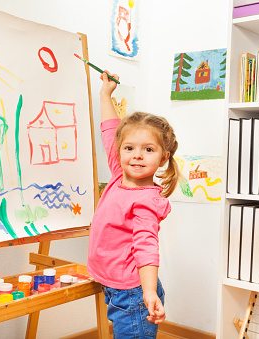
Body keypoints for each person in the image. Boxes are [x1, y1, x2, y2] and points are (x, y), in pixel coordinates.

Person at [87, 72, 181, 338]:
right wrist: (106, 94)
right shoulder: (119, 175)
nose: (137, 155)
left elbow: (146, 246)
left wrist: (149, 292)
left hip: (133, 294)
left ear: (164, 158)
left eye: (148, 149)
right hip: (116, 287)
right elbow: (109, 131)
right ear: (120, 151)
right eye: (129, 148)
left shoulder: (146, 201)